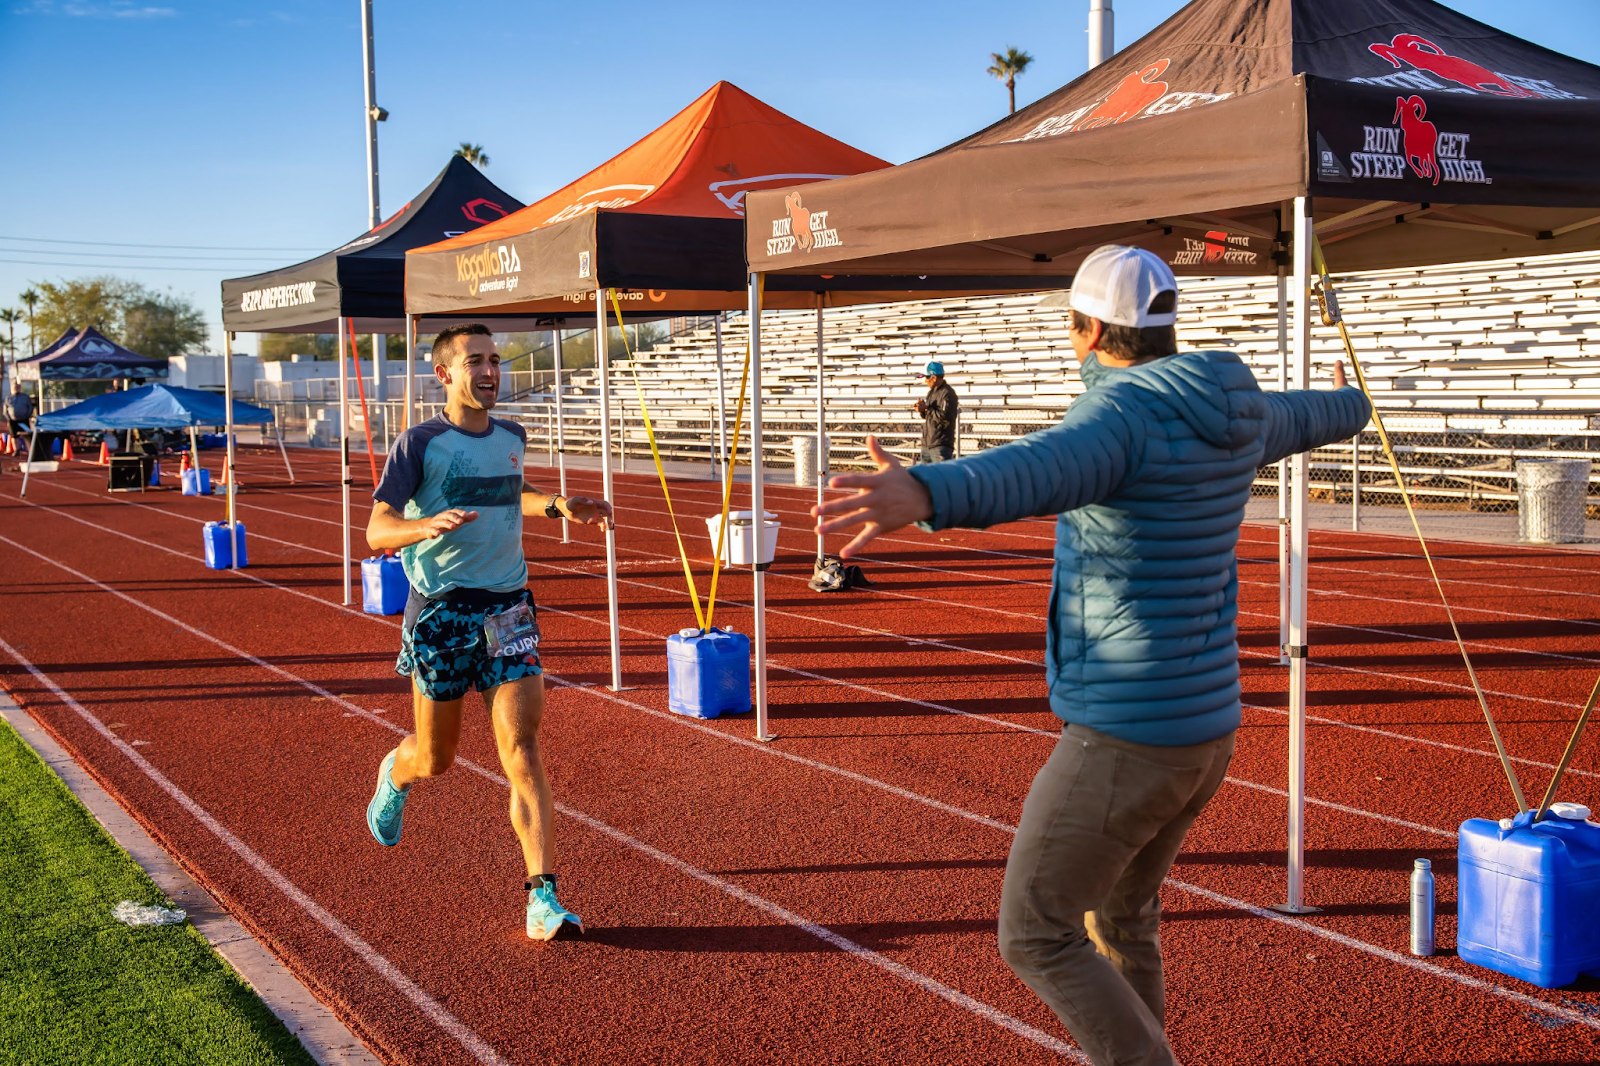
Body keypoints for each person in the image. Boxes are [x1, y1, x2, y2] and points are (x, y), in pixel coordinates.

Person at [814, 245, 1370, 1066]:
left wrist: (929, 492)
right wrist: (1350, 397)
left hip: (1126, 732)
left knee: (1033, 931)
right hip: (1206, 730)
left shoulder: (1119, 418)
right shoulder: (1240, 405)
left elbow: (1038, 470)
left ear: (1088, 329)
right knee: (1121, 917)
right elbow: (1320, 415)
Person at [363, 323, 615, 941]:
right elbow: (376, 530)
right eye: (475, 361)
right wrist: (420, 529)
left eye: (496, 360)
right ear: (444, 374)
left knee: (522, 749)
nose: (491, 371)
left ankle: (542, 897)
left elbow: (512, 493)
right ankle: (395, 774)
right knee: (437, 759)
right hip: (442, 612)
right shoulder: (419, 442)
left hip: (509, 609)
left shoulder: (512, 435)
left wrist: (557, 506)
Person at [913, 361, 958, 463]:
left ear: (934, 378)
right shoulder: (931, 393)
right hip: (927, 444)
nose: (925, 381)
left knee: (942, 477)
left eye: (927, 377)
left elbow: (945, 417)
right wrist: (922, 410)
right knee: (925, 477)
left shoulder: (947, 393)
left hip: (940, 444)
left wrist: (927, 408)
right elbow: (930, 416)